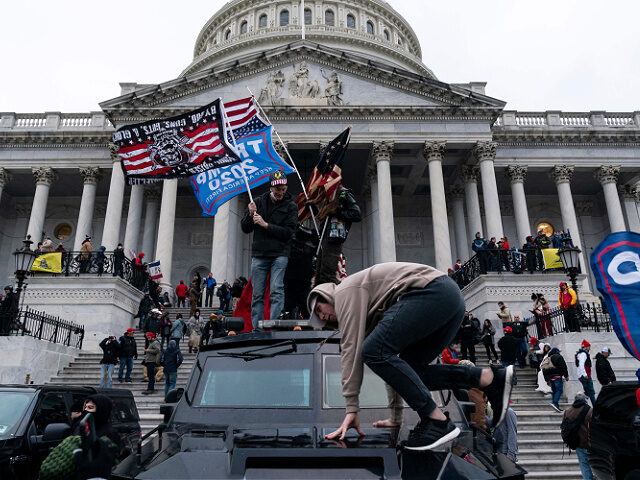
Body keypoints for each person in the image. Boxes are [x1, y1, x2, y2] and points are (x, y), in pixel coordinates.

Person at [307, 262, 514, 450]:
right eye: (319, 318)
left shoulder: (345, 292)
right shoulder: (369, 309)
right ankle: (488, 378)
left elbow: (351, 353)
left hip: (432, 293)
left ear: (327, 296)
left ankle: (437, 421)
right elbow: (394, 369)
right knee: (411, 369)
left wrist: (351, 409)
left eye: (319, 309)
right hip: (448, 300)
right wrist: (396, 416)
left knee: (371, 351)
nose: (322, 316)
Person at [241, 170, 297, 331]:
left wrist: (266, 225)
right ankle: (257, 329)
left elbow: (289, 233)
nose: (280, 192)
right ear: (271, 187)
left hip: (280, 254)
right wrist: (250, 214)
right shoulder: (258, 202)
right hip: (260, 254)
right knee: (257, 295)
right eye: (277, 189)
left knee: (276, 290)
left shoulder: (291, 206)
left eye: (283, 189)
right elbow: (245, 228)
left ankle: (274, 327)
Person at [39, 394, 120, 480]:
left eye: (90, 407)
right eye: (85, 407)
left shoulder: (110, 434)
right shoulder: (81, 426)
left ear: (101, 410)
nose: (86, 410)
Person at [314, 186, 362, 286]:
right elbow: (323, 217)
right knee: (319, 275)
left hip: (334, 239)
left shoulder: (343, 194)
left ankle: (331, 299)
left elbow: (356, 214)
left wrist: (337, 212)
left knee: (328, 275)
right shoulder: (329, 196)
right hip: (324, 239)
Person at [561, 393, 593, 480]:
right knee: (594, 464)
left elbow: (564, 426)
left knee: (584, 464)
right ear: (584, 400)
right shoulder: (590, 411)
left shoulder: (567, 412)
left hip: (577, 443)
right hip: (590, 443)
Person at [543, 346, 569, 412]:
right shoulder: (558, 357)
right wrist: (566, 376)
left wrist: (546, 380)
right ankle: (554, 403)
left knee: (554, 391)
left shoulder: (547, 358)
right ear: (557, 352)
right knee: (559, 390)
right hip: (557, 376)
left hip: (550, 377)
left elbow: (544, 370)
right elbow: (563, 366)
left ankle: (556, 406)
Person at [576, 340, 597, 406]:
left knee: (588, 392)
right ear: (585, 347)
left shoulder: (581, 354)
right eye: (588, 347)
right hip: (585, 376)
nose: (589, 348)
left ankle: (580, 404)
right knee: (591, 392)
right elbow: (581, 365)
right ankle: (595, 407)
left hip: (583, 375)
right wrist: (585, 375)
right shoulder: (583, 354)